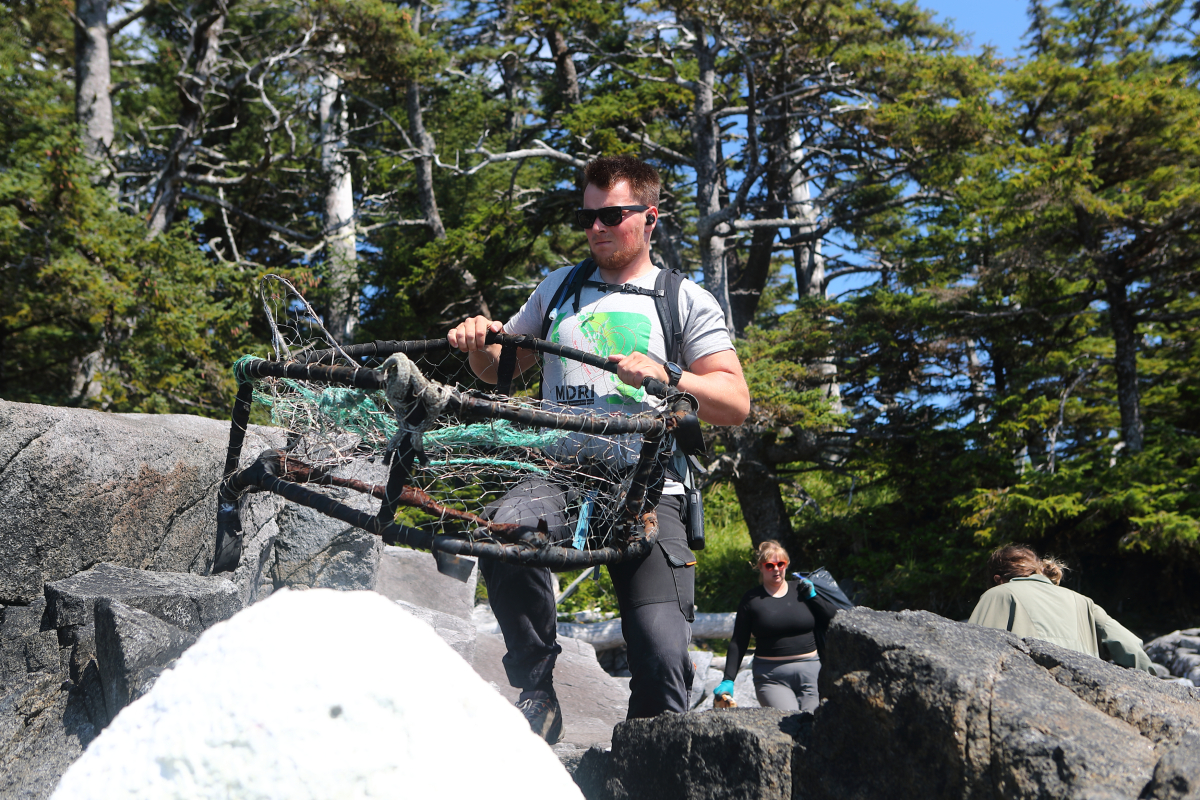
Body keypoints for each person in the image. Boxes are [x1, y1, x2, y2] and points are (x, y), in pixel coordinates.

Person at [447, 155, 750, 742]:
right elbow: (498, 367)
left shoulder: (684, 300)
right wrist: (476, 341)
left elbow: (734, 401)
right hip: (559, 473)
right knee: (504, 530)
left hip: (649, 488)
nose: (596, 228)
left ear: (649, 217)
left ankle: (646, 752)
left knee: (662, 658)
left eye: (611, 215)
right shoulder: (557, 289)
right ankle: (537, 689)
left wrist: (666, 374)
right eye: (586, 218)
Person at [968, 543, 1153, 672]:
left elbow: (974, 650)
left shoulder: (999, 593)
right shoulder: (1083, 601)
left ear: (997, 579)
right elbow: (1131, 647)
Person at [713, 541, 838, 713]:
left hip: (812, 672)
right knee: (789, 723)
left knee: (815, 723)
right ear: (761, 567)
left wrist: (814, 597)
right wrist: (728, 679)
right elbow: (738, 641)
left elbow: (835, 619)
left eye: (781, 564)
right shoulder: (751, 600)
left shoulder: (802, 590)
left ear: (786, 564)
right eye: (770, 565)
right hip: (771, 677)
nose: (776, 569)